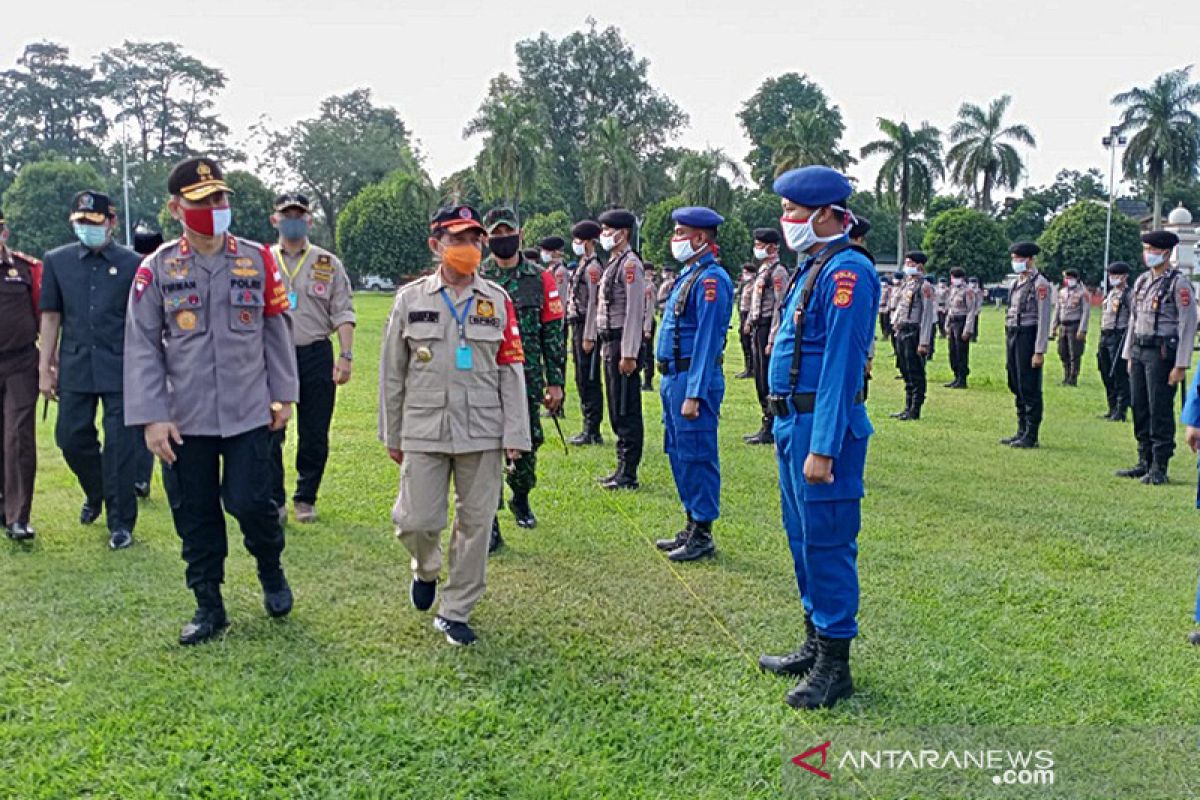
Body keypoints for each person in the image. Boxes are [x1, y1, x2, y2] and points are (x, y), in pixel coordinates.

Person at [124, 156, 299, 645]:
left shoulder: (257, 258)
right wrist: (152, 418)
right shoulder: (155, 268)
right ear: (177, 207)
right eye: (203, 201)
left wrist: (283, 396)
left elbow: (275, 328)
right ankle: (209, 604)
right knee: (195, 514)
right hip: (185, 417)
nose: (215, 208)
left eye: (220, 198)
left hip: (248, 411)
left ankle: (271, 569)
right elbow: (141, 344)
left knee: (251, 502)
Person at [379, 204, 530, 646]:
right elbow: (392, 372)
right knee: (415, 519)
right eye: (457, 240)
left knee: (476, 523)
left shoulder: (497, 301)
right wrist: (392, 432)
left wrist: (516, 434)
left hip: (482, 428)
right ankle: (425, 568)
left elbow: (511, 369)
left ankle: (456, 609)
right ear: (436, 245)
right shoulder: (410, 300)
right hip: (423, 426)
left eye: (473, 240)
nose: (468, 248)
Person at [756, 165, 879, 711]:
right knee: (801, 537)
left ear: (828, 214)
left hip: (819, 427)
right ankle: (815, 639)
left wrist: (823, 446)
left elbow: (839, 366)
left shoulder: (848, 272)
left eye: (796, 213)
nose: (788, 222)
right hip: (790, 422)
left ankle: (836, 664)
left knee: (827, 542)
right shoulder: (814, 267)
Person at [39, 191, 143, 550]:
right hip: (76, 363)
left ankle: (121, 523)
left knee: (120, 446)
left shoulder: (133, 264)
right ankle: (97, 491)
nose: (87, 229)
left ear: (111, 223)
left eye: (94, 223)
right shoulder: (57, 261)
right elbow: (51, 316)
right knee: (69, 437)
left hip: (120, 366)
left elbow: (143, 319)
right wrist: (44, 367)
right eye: (80, 223)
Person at [265, 193, 356, 524]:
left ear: (310, 220)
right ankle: (275, 500)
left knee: (314, 430)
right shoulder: (262, 260)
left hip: (316, 353)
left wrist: (345, 355)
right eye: (286, 214)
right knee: (271, 428)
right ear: (274, 220)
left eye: (299, 215)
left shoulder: (327, 263)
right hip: (273, 357)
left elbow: (343, 311)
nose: (293, 220)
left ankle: (305, 497)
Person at [650, 207, 734, 562]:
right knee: (678, 450)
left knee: (697, 454)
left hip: (691, 379)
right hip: (674, 377)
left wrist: (695, 393)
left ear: (701, 239)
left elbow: (706, 341)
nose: (676, 239)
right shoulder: (690, 275)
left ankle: (703, 531)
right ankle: (690, 521)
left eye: (682, 233)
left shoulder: (712, 280)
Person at [480, 208, 565, 531]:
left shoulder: (540, 278)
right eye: (496, 234)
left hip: (526, 376)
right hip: (485, 375)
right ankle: (490, 519)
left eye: (508, 233)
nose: (503, 239)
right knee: (486, 445)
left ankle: (521, 495)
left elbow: (553, 333)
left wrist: (555, 382)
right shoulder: (478, 276)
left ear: (520, 234)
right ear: (487, 238)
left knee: (527, 442)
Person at [1116, 231, 1197, 484]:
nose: (1148, 253)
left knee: (1158, 408)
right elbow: (1134, 320)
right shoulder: (1141, 281)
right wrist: (1129, 354)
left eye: (1152, 249)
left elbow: (1187, 325)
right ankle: (1144, 460)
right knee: (1139, 405)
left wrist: (1181, 364)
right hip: (1140, 350)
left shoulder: (1178, 283)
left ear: (1166, 252)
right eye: (1146, 249)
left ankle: (1159, 465)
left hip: (1162, 354)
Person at [591, 208, 646, 490]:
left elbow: (635, 311)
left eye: (608, 230)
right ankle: (621, 467)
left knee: (626, 407)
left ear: (622, 233)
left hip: (621, 341)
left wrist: (629, 352)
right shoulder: (615, 262)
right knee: (615, 405)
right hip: (609, 341)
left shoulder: (630, 265)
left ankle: (628, 472)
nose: (604, 236)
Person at [0, 209, 42, 541]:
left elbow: (42, 312)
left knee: (19, 437)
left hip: (20, 362)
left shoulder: (26, 269)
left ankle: (18, 516)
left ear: (5, 233)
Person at [1001, 242, 1053, 449]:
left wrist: (1039, 350)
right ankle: (1021, 429)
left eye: (1019, 259)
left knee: (1029, 385)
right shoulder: (1017, 283)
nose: (1016, 262)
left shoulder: (1040, 284)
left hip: (1028, 335)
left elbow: (1044, 318)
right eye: (1014, 258)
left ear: (1030, 260)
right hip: (1013, 333)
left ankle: (1031, 434)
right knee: (1015, 382)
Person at [744, 228, 788, 445]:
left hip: (768, 328)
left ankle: (771, 425)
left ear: (772, 247)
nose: (757, 248)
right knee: (759, 378)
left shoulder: (778, 272)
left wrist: (772, 338)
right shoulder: (763, 270)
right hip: (757, 326)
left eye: (760, 245)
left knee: (767, 378)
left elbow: (780, 306)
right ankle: (766, 421)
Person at [131, 224, 164, 499]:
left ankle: (145, 476)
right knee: (144, 415)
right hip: (139, 352)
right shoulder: (134, 272)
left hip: (170, 355)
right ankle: (140, 477)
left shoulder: (166, 268)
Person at [566, 220, 605, 446]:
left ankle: (592, 429)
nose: (576, 244)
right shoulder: (583, 264)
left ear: (589, 242)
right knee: (580, 376)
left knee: (589, 378)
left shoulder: (593, 268)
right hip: (577, 323)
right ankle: (586, 424)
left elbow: (593, 303)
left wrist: (590, 334)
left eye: (579, 240)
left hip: (585, 324)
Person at [890, 251, 935, 420]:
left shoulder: (924, 287)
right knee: (904, 368)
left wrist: (924, 341)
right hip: (902, 329)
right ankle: (907, 406)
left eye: (910, 263)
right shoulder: (906, 284)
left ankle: (915, 408)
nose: (907, 266)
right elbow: (901, 307)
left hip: (914, 331)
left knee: (915, 371)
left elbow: (927, 315)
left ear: (919, 266)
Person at [1097, 261, 1133, 421]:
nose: (1112, 278)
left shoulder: (1128, 295)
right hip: (1105, 335)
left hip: (1119, 336)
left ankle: (1121, 410)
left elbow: (1134, 316)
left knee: (1118, 373)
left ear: (1125, 276)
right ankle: (1111, 407)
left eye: (1116, 275)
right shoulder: (1110, 294)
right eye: (1111, 275)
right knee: (1105, 371)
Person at [1050, 268, 1090, 386]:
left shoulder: (1083, 293)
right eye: (1066, 278)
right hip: (1063, 325)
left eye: (1069, 278)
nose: (1067, 280)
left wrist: (1082, 329)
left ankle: (1073, 378)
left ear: (1076, 279)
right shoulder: (1062, 292)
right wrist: (1053, 327)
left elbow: (1085, 312)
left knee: (1075, 353)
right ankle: (1066, 375)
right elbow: (1057, 310)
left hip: (1075, 326)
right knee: (1062, 352)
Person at [943, 266, 979, 389]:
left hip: (962, 322)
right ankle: (956, 375)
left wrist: (968, 329)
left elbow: (971, 311)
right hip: (953, 321)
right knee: (952, 351)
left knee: (961, 352)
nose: (953, 279)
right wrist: (947, 325)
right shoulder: (952, 290)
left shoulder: (967, 291)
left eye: (955, 277)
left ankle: (962, 378)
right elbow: (950, 309)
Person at [735, 263, 756, 378]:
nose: (744, 275)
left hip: (749, 315)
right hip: (742, 315)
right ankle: (747, 368)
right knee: (744, 342)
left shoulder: (754, 286)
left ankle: (751, 369)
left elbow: (753, 305)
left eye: (746, 272)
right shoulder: (745, 286)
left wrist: (748, 322)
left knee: (748, 343)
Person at [640, 264, 657, 391]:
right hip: (639, 322)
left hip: (647, 321)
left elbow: (650, 308)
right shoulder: (640, 284)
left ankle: (648, 381)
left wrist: (647, 328)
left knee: (647, 353)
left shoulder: (649, 287)